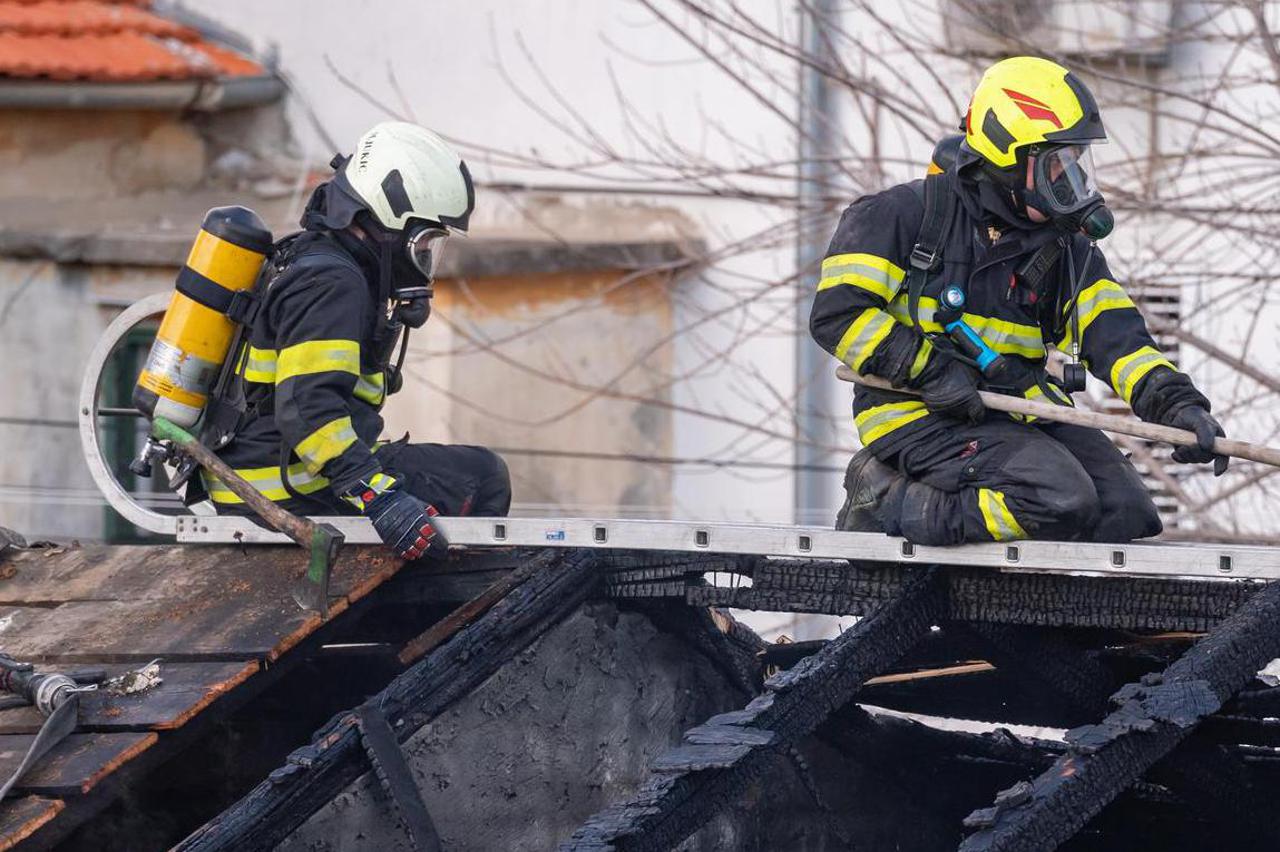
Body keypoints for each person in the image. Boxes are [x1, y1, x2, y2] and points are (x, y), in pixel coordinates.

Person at [810, 56, 1226, 546]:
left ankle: (1009, 594)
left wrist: (1177, 406)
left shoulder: (1063, 247)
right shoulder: (901, 215)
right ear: (1007, 157)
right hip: (919, 412)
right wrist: (931, 371)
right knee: (1058, 500)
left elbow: (1118, 338)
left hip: (1015, 409)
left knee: (1127, 511)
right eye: (1056, 163)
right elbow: (838, 315)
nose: (1072, 180)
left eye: (1076, 162)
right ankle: (885, 497)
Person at [199, 121, 511, 560]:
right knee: (481, 477)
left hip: (268, 476)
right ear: (390, 221)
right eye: (425, 242)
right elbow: (307, 408)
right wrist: (376, 495)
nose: (425, 259)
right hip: (288, 488)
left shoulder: (315, 261)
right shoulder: (333, 283)